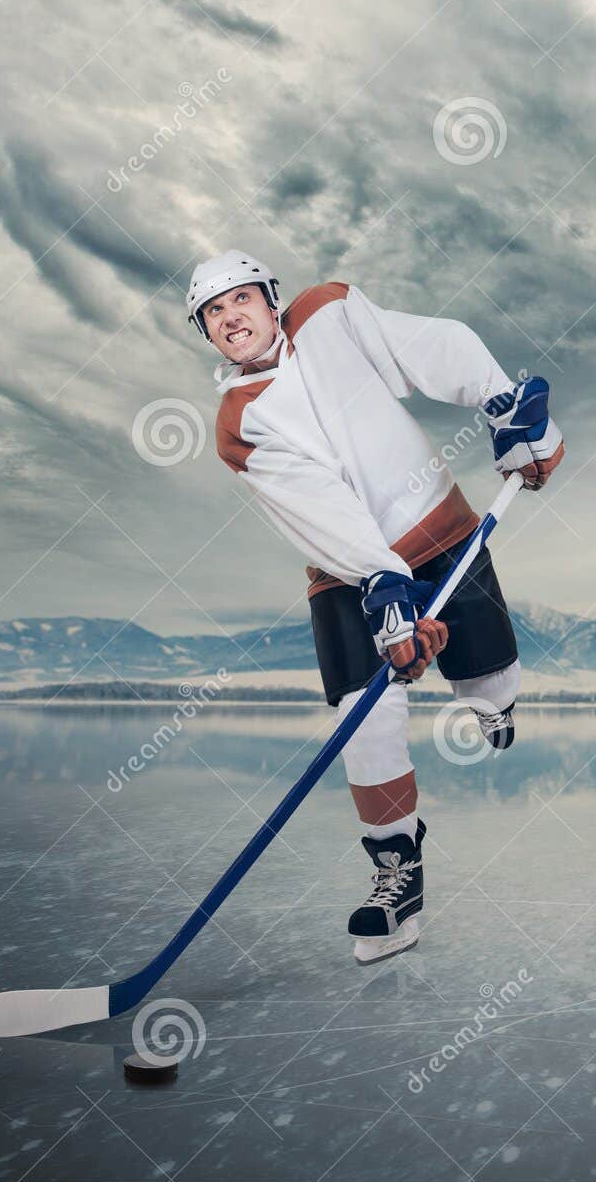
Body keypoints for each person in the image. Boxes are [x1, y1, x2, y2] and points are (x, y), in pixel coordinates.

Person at [186, 250, 564, 963]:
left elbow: (422, 346)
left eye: (240, 299)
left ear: (271, 301)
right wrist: (381, 579)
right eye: (213, 312)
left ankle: (494, 701)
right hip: (347, 568)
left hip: (437, 523)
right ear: (207, 333)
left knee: (489, 672)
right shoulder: (238, 423)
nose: (230, 317)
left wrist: (501, 402)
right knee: (364, 714)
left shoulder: (327, 311)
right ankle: (398, 871)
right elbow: (314, 502)